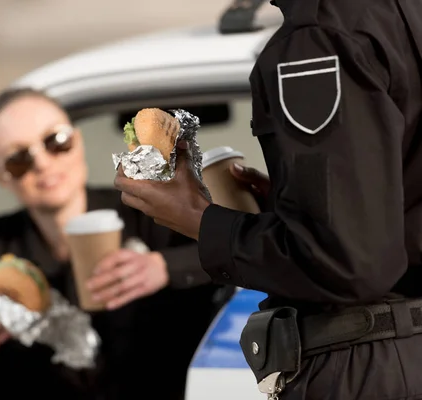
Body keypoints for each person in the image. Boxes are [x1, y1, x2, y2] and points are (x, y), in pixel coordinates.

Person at [113, 0, 422, 399]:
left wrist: (199, 220)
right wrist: (293, 203)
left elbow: (349, 261)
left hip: (369, 364)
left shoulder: (320, 36)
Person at [0, 87, 229, 400]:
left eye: (55, 141)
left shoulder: (151, 213)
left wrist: (166, 269)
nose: (43, 163)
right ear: (0, 176)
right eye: (19, 159)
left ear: (77, 141)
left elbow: (250, 255)